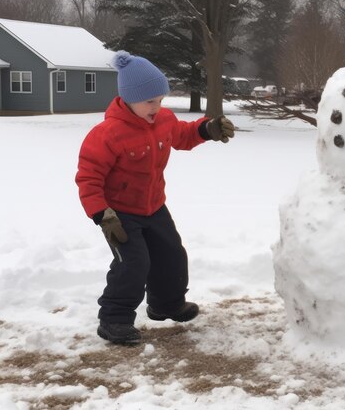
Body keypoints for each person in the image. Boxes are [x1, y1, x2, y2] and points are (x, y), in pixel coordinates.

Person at [75, 51, 234, 345]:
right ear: (128, 98)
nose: (157, 107)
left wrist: (206, 128)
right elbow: (88, 178)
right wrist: (102, 215)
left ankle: (165, 304)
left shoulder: (163, 120)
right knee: (133, 263)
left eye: (160, 100)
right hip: (118, 215)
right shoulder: (107, 134)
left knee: (172, 254)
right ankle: (114, 319)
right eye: (150, 101)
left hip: (154, 207)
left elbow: (183, 136)